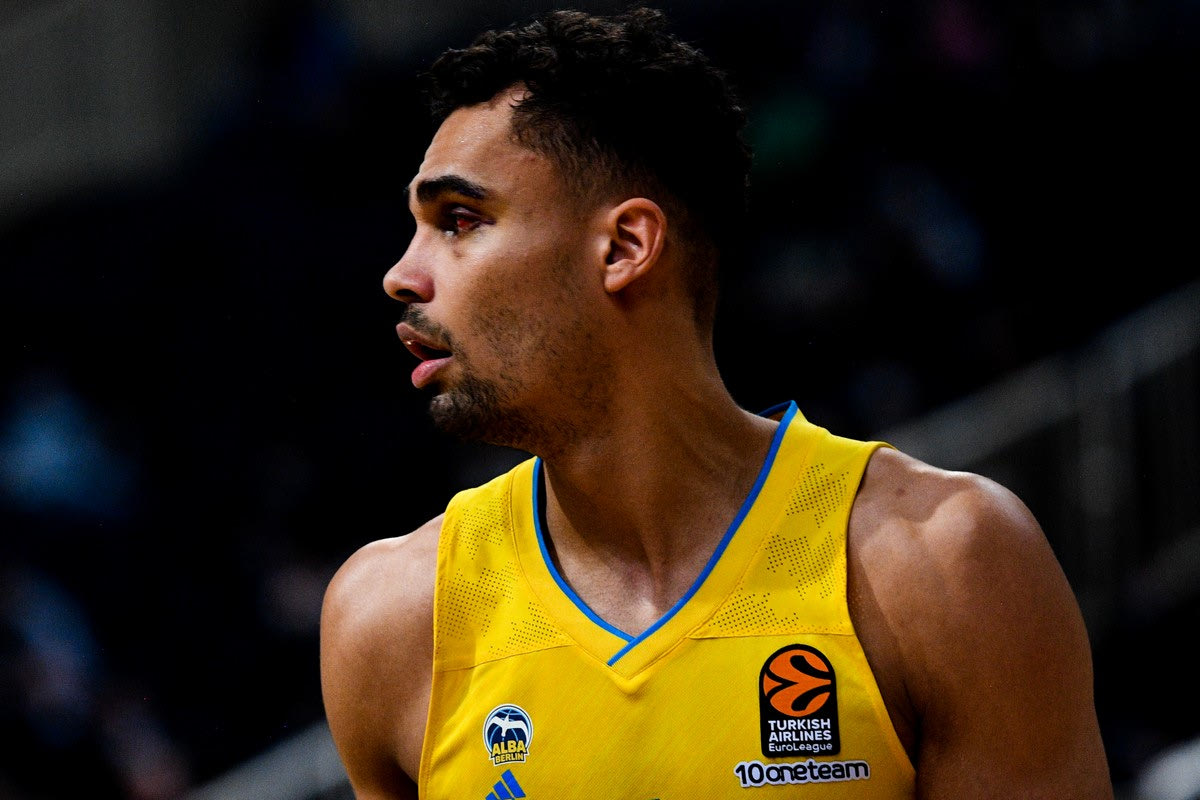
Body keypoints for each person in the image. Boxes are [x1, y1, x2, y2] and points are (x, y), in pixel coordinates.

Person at [319, 7, 1113, 798]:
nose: (402, 275)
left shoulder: (941, 565)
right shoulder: (392, 621)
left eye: (460, 221)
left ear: (625, 247)